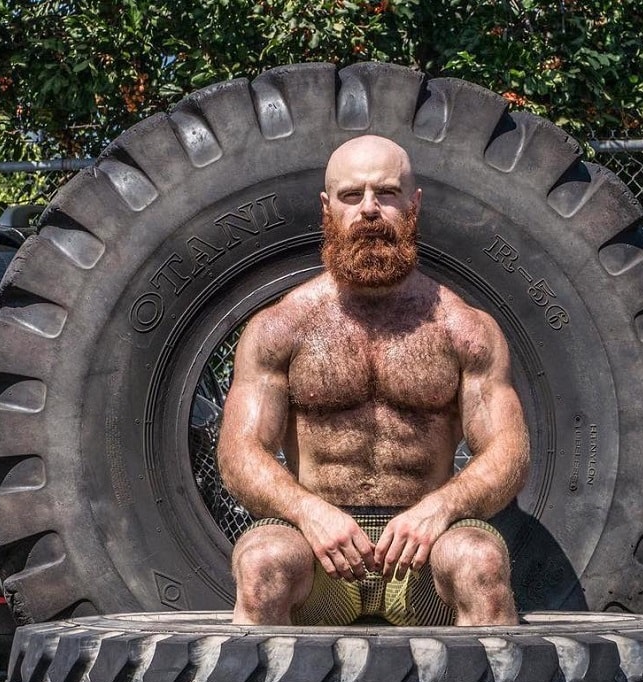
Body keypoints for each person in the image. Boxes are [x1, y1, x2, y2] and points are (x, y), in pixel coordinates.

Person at [217, 134, 530, 627]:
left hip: (424, 556)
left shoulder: (464, 328)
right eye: (350, 196)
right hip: (319, 553)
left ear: (414, 204)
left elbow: (509, 452)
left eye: (385, 193)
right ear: (327, 208)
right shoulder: (281, 327)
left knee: (479, 562)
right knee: (263, 564)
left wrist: (441, 508)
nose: (368, 210)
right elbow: (239, 452)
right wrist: (308, 513)